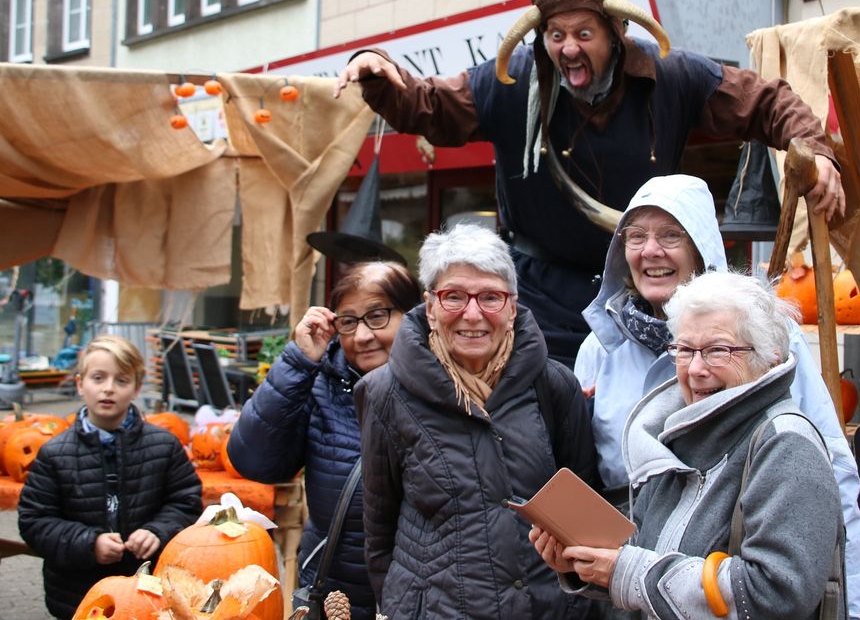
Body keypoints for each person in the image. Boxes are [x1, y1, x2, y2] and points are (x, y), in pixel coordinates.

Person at [333, 0, 845, 367]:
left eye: (583, 34)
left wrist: (814, 152)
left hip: (645, 287)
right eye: (556, 36)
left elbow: (766, 101)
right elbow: (429, 104)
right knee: (545, 422)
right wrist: (378, 71)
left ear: (615, 34)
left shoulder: (672, 75)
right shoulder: (507, 84)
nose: (568, 48)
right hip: (539, 296)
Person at [575, 174, 860, 620]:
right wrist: (581, 552)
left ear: (701, 248)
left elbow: (829, 478)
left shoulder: (773, 350)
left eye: (671, 235)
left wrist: (854, 607)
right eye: (635, 236)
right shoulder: (600, 349)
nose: (650, 250)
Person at [532, 270, 845, 620]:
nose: (695, 368)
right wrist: (583, 560)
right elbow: (641, 564)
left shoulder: (785, 446)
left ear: (767, 359)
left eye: (717, 351)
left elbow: (776, 593)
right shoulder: (677, 438)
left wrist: (628, 572)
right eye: (684, 350)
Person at [355, 223, 599, 620]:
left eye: (490, 297)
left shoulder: (553, 386)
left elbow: (582, 514)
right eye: (453, 297)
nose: (473, 314)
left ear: (513, 306)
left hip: (545, 609)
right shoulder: (385, 392)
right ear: (430, 306)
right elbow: (379, 531)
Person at [227, 261, 420, 620]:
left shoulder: (445, 391)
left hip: (417, 599)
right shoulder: (321, 385)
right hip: (332, 596)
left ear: (414, 314)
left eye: (377, 315)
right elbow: (253, 459)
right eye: (348, 321)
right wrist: (299, 362)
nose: (362, 335)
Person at [18, 335, 202, 619]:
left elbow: (186, 503)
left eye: (121, 380)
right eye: (98, 378)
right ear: (80, 384)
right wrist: (88, 543)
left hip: (152, 590)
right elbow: (35, 522)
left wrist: (159, 531)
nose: (108, 389)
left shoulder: (164, 446)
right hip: (78, 594)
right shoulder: (54, 453)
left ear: (137, 387)